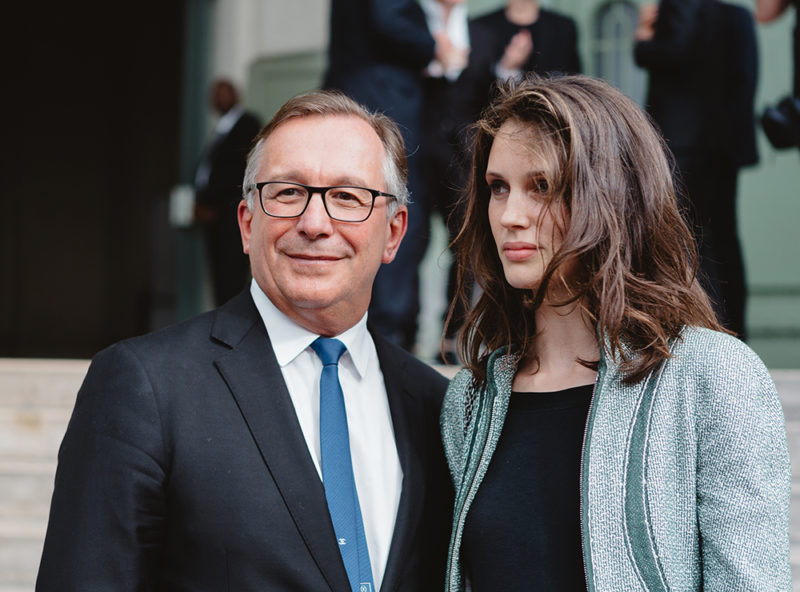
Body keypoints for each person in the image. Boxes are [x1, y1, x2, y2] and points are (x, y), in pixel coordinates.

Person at [37, 91, 452, 591]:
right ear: (247, 222)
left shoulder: (434, 407)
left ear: (393, 233)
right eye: (287, 192)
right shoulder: (145, 387)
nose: (315, 224)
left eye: (348, 197)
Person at [440, 74, 790, 591]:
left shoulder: (711, 376)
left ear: (612, 195)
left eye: (542, 186)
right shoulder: (470, 400)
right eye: (498, 188)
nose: (510, 216)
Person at [324, 0, 464, 351]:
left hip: (352, 88)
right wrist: (436, 47)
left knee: (350, 207)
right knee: (395, 210)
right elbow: (389, 21)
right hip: (387, 97)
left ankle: (359, 325)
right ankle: (389, 333)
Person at [634, 0, 759, 340]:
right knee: (722, 242)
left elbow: (674, 50)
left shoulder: (679, 7)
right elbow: (745, 80)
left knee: (687, 242)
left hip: (685, 146)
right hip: (723, 147)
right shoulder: (738, 17)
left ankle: (705, 336)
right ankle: (733, 335)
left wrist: (643, 38)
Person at [194, 78, 262, 306]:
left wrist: (214, 204)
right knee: (219, 277)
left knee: (231, 275)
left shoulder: (247, 124)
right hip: (214, 219)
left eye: (223, 92)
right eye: (214, 94)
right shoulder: (220, 129)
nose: (218, 98)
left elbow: (239, 171)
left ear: (235, 95)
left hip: (230, 214)